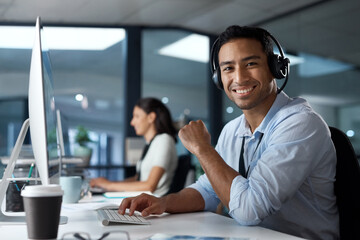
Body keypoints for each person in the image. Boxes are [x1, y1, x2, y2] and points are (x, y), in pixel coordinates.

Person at [119, 26, 339, 240]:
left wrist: (202, 149)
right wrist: (163, 203)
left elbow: (250, 210)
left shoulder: (300, 123)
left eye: (250, 63)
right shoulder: (233, 130)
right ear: (219, 78)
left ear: (274, 67)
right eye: (228, 68)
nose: (239, 78)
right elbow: (209, 189)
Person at [90, 97, 178, 197]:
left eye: (137, 116)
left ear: (151, 117)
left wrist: (109, 185)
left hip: (153, 203)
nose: (132, 122)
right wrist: (108, 183)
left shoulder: (164, 140)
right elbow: (138, 179)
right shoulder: (151, 144)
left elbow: (149, 186)